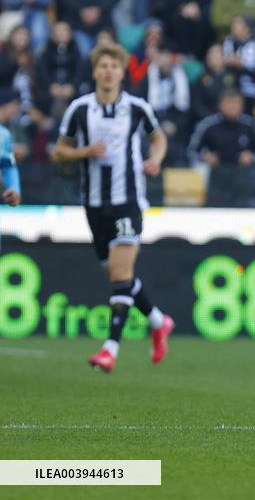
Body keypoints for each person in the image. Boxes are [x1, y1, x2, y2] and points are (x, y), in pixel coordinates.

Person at [52, 43, 174, 373]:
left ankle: (110, 349)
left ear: (122, 72)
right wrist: (84, 152)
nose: (108, 71)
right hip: (94, 206)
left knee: (120, 274)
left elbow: (158, 137)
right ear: (94, 72)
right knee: (121, 278)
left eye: (114, 66)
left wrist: (156, 160)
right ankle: (158, 321)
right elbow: (59, 152)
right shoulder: (79, 109)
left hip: (128, 201)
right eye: (102, 65)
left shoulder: (137, 107)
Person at [0, 88, 22, 210]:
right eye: (14, 105)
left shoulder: (4, 134)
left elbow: (8, 166)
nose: (17, 109)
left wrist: (14, 189)